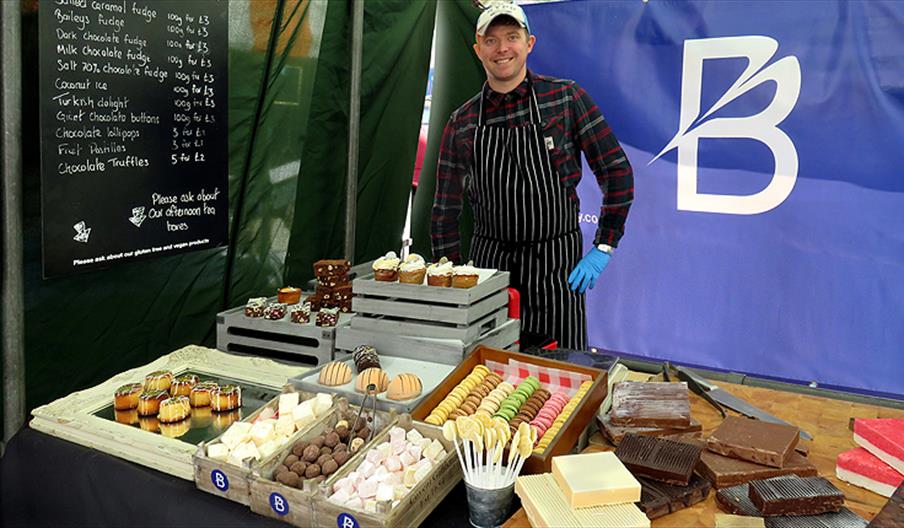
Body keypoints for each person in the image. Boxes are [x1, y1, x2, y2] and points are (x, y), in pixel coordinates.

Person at [430, 1, 633, 350]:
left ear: (530, 43)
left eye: (512, 36)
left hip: (557, 270)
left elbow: (617, 171)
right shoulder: (461, 122)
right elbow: (444, 212)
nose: (502, 48)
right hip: (490, 275)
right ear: (478, 50)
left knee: (562, 376)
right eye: (491, 41)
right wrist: (453, 277)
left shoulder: (566, 99)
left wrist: (604, 245)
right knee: (491, 375)